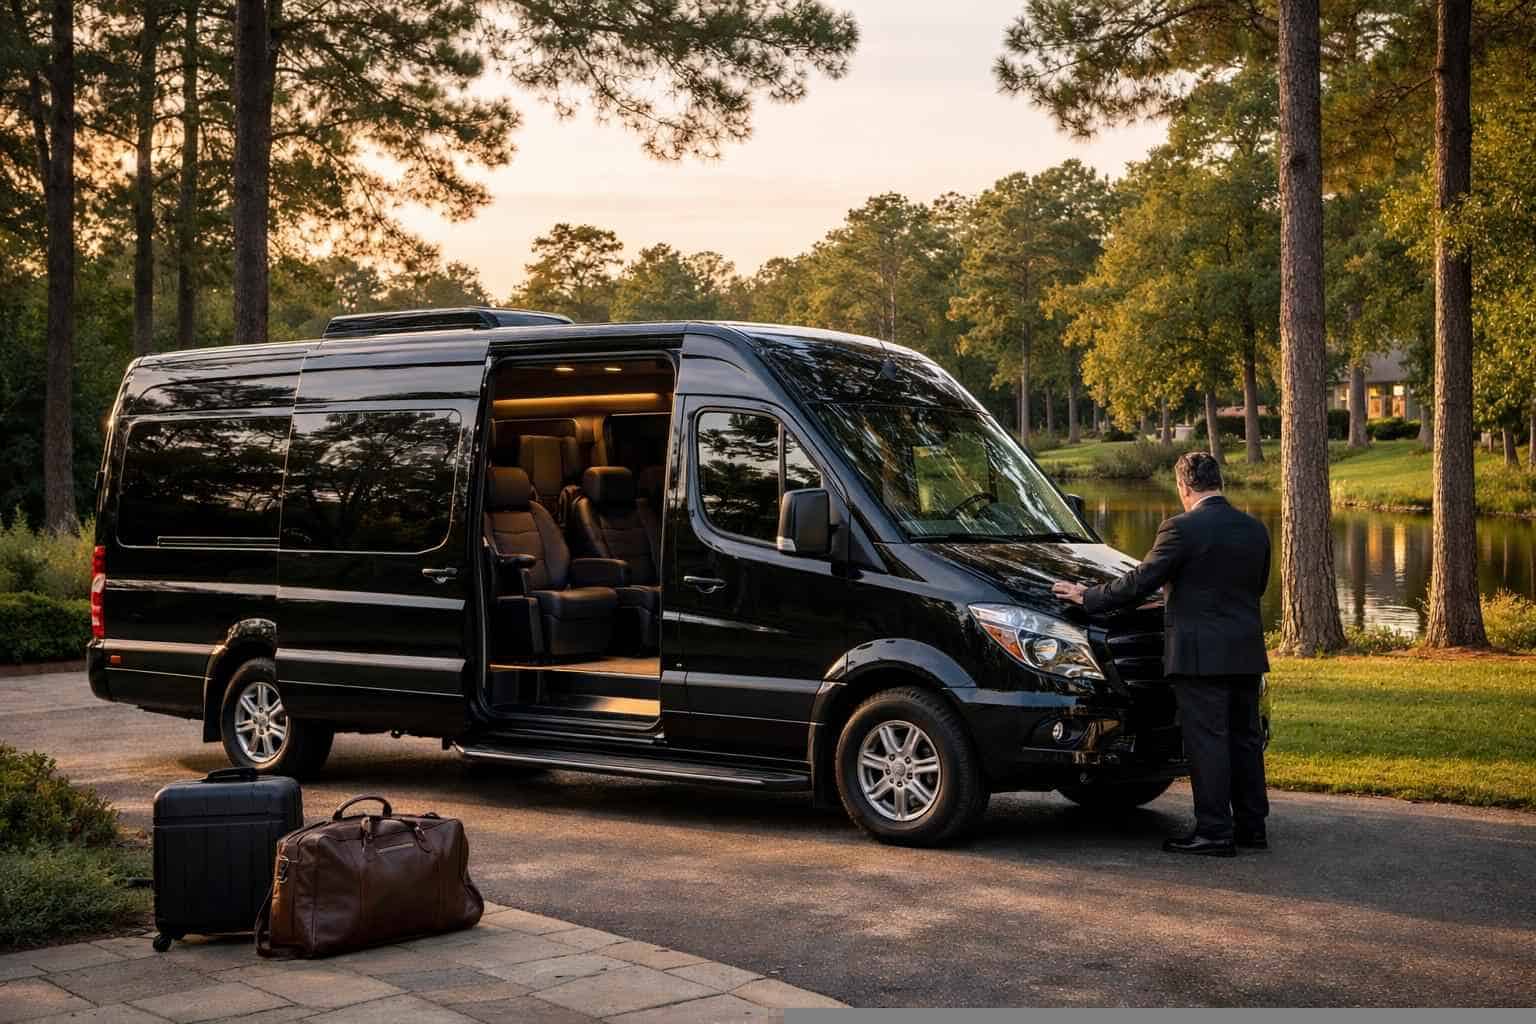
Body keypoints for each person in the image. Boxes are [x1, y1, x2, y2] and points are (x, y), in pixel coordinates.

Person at [1052, 451, 1271, 857]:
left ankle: (1213, 833)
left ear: (1183, 486)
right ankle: (1251, 827)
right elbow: (1253, 587)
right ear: (1218, 482)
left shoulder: (1181, 529)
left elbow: (1138, 582)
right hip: (1245, 651)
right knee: (1244, 739)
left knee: (1207, 742)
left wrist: (1087, 595)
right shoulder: (1254, 529)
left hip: (1198, 655)